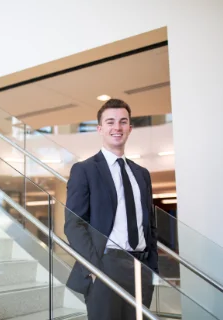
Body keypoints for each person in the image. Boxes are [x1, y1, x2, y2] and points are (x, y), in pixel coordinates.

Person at [64, 98, 158, 319]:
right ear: (100, 129)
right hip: (106, 267)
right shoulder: (84, 170)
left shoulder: (142, 174)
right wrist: (95, 269)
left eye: (123, 122)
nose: (117, 127)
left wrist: (151, 269)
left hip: (141, 269)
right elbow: (73, 224)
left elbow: (150, 227)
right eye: (110, 122)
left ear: (130, 128)